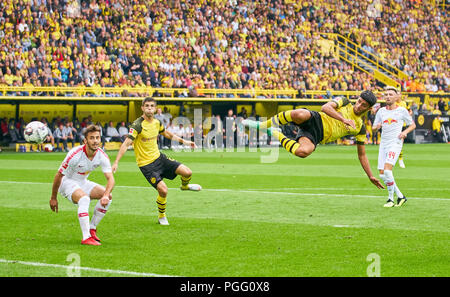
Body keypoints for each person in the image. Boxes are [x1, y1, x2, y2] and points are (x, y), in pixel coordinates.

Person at [243, 90, 385, 189]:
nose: (359, 105)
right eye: (359, 101)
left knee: (303, 152)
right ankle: (262, 125)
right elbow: (325, 107)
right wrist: (343, 119)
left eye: (364, 105)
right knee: (299, 113)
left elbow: (362, 154)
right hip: (316, 119)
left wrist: (370, 176)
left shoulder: (360, 128)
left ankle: (273, 132)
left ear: (369, 108)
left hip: (317, 136)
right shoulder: (345, 101)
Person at [112, 97, 201, 226]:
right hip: (146, 165)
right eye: (146, 105)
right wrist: (116, 162)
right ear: (142, 108)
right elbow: (126, 144)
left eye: (151, 106)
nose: (149, 108)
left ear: (155, 108)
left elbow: (167, 134)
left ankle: (185, 186)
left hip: (160, 158)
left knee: (187, 172)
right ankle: (162, 216)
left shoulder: (157, 122)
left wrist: (185, 141)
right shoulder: (137, 125)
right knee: (163, 191)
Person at [49, 125, 115, 246]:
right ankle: (86, 237)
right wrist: (53, 197)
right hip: (66, 182)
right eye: (91, 138)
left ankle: (92, 228)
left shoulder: (102, 155)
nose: (95, 141)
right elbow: (58, 175)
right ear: (85, 140)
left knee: (109, 197)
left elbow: (111, 179)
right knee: (84, 199)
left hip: (82, 181)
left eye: (97, 138)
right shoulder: (75, 154)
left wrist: (105, 195)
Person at [372, 86, 416, 208]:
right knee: (382, 174)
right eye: (386, 94)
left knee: (387, 170)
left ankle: (390, 199)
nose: (388, 96)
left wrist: (405, 132)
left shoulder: (402, 111)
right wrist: (377, 127)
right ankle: (401, 196)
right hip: (383, 144)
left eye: (391, 94)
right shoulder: (381, 111)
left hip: (395, 143)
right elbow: (374, 128)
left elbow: (412, 125)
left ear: (396, 97)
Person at [395, 89, 409, 168]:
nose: (397, 96)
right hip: (395, 125)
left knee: (400, 142)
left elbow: (408, 112)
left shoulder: (403, 103)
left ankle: (400, 159)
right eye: (396, 94)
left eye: (399, 94)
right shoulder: (393, 104)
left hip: (402, 125)